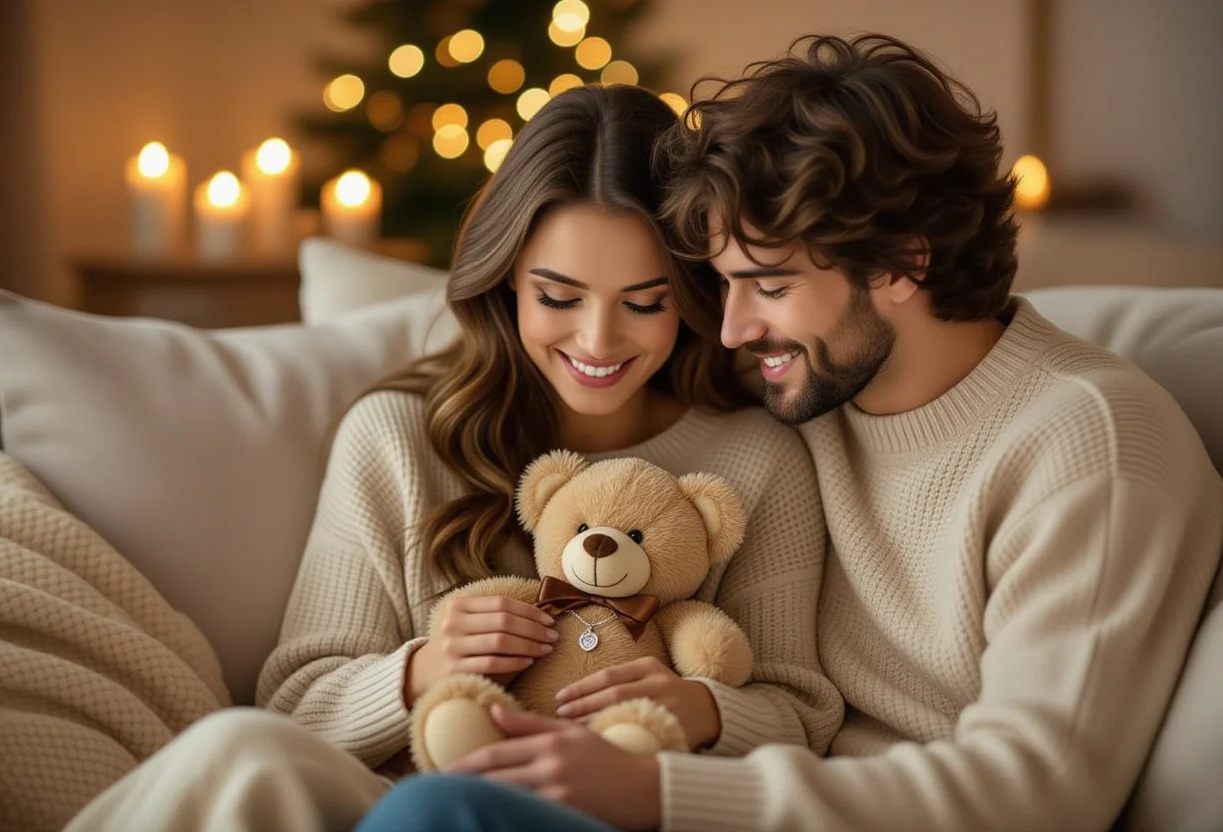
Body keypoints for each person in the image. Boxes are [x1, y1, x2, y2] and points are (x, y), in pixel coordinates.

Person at [360, 33, 1223, 832]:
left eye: (766, 286)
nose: (729, 330)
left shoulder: (1087, 446)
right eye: (721, 283)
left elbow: (1040, 791)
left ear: (902, 264)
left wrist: (663, 788)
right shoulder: (812, 392)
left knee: (435, 818)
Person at [64, 83, 843, 831]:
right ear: (506, 283)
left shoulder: (755, 461)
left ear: (697, 292)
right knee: (239, 751)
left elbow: (803, 712)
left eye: (646, 302)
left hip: (625, 812)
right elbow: (295, 703)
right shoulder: (397, 439)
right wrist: (419, 672)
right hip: (409, 809)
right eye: (559, 297)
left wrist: (705, 711)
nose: (598, 343)